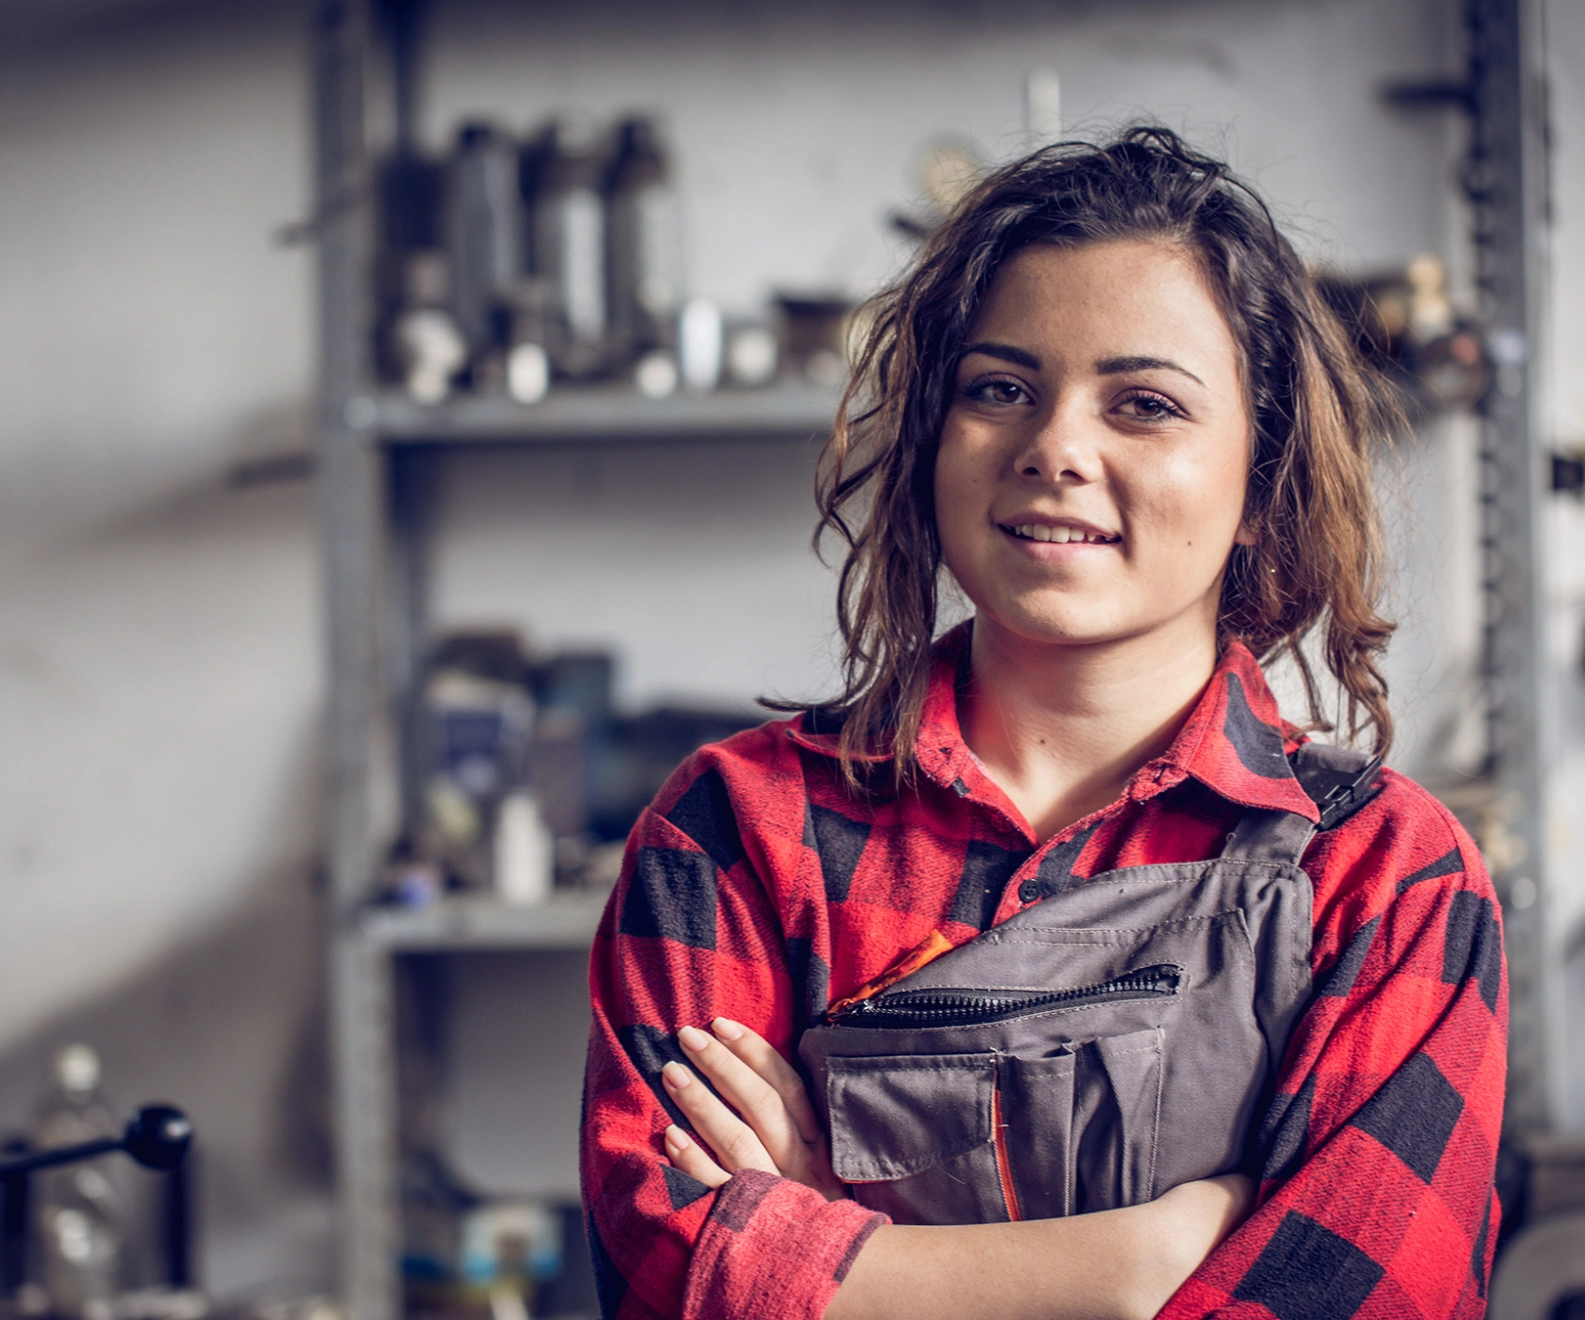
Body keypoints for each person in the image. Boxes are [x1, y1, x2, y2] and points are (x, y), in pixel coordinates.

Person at [581, 125, 1506, 1320]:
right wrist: (1138, 1268)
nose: (1057, 448)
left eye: (1145, 404)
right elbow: (676, 1276)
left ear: (1258, 477)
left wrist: (843, 1262)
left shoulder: (1384, 881)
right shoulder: (735, 835)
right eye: (1002, 389)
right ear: (931, 441)